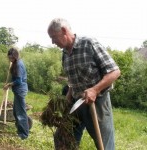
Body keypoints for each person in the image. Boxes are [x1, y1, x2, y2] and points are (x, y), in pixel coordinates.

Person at [47, 18, 121, 150]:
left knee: (104, 144)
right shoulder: (65, 54)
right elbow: (72, 82)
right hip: (76, 104)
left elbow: (114, 72)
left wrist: (95, 90)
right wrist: (67, 101)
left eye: (53, 37)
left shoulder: (89, 44)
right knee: (62, 137)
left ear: (64, 31)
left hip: (97, 103)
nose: (53, 42)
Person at [3, 47, 29, 140]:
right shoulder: (15, 64)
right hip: (18, 91)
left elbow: (19, 81)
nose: (10, 59)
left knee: (20, 114)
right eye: (9, 58)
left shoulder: (18, 65)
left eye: (12, 58)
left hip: (20, 91)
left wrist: (9, 85)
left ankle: (24, 135)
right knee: (16, 112)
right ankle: (21, 129)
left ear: (16, 56)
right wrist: (9, 83)